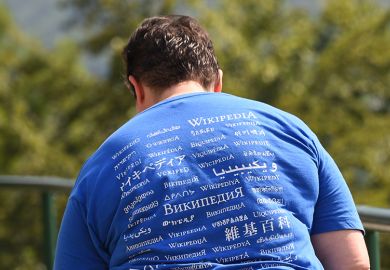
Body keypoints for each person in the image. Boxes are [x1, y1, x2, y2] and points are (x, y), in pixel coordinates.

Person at [54, 15, 370, 270]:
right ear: (217, 81)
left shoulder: (105, 162)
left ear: (136, 88)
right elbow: (351, 261)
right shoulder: (293, 131)